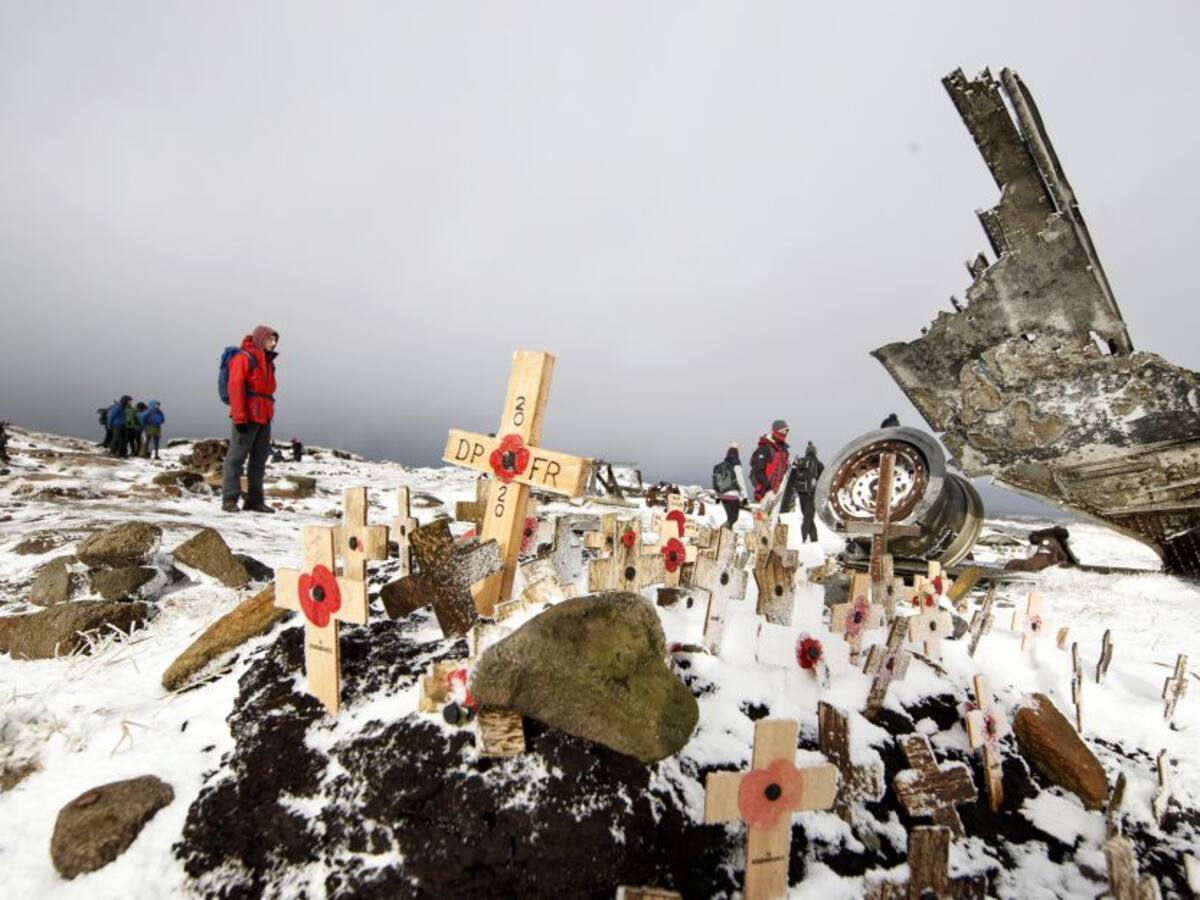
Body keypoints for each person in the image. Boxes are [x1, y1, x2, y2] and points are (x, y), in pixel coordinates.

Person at [221, 325, 279, 513]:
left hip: (264, 416)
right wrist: (239, 417)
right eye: (271, 339)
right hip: (246, 416)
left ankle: (255, 501)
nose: (274, 343)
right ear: (261, 339)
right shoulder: (243, 358)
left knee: (259, 460)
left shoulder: (268, 362)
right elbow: (235, 386)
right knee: (236, 458)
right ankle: (230, 500)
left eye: (275, 340)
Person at [789, 442, 824, 543]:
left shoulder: (801, 462)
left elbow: (793, 475)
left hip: (801, 493)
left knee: (807, 516)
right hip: (811, 494)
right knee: (808, 518)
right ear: (815, 452)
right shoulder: (818, 463)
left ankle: (814, 540)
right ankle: (802, 539)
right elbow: (823, 479)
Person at [749, 419, 791, 502]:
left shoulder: (784, 451)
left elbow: (786, 471)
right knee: (766, 514)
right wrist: (768, 488)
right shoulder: (765, 448)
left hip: (780, 493)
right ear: (775, 431)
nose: (785, 434)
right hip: (767, 492)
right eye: (783, 431)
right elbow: (758, 471)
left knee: (776, 515)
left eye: (786, 432)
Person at [712, 443, 750, 528]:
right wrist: (745, 497)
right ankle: (723, 531)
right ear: (737, 453)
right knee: (733, 519)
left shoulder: (721, 466)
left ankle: (725, 536)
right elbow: (740, 481)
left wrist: (717, 496)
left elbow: (717, 481)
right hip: (733, 496)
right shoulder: (736, 465)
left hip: (723, 496)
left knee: (730, 519)